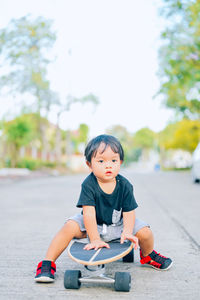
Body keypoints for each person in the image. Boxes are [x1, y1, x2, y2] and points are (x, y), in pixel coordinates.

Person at [35, 134, 172, 282]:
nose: (108, 165)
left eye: (114, 160)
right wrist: (94, 239)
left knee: (145, 232)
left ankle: (148, 255)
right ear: (89, 165)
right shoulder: (88, 184)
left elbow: (129, 212)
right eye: (101, 161)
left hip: (117, 224)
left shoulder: (125, 185)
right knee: (69, 227)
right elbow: (88, 214)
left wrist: (127, 232)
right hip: (92, 224)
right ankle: (47, 263)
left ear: (120, 162)